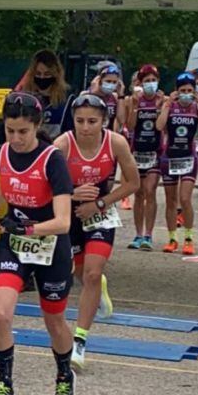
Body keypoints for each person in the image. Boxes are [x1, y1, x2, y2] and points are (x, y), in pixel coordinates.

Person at [0, 92, 75, 395]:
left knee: (54, 321)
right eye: (10, 131)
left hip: (49, 245)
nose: (16, 138)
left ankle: (64, 376)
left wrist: (30, 229)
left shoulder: (53, 160)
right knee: (0, 315)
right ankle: (4, 385)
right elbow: (5, 179)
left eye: (23, 131)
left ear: (36, 126)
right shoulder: (0, 154)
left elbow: (63, 222)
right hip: (15, 244)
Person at [53, 93, 139, 370]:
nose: (86, 127)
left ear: (104, 120)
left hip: (100, 214)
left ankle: (80, 341)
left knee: (92, 271)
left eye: (92, 121)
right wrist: (73, 193)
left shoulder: (115, 143)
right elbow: (46, 186)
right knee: (79, 273)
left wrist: (100, 203)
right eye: (80, 121)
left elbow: (132, 183)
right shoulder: (62, 145)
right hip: (72, 215)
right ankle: (98, 287)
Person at [158, 73, 198, 254]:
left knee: (185, 198)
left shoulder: (196, 107)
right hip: (170, 156)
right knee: (170, 200)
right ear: (176, 91)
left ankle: (189, 238)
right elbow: (159, 126)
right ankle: (172, 237)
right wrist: (167, 105)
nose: (186, 94)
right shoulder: (171, 105)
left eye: (189, 90)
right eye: (182, 91)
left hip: (188, 157)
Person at [125, 64, 163, 250]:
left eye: (153, 80)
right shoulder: (134, 100)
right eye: (147, 81)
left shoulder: (162, 100)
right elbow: (130, 126)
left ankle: (149, 234)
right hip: (137, 149)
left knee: (150, 190)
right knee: (138, 193)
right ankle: (138, 234)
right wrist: (133, 105)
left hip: (155, 151)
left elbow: (160, 126)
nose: (150, 84)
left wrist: (158, 107)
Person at [19, 49, 69, 137]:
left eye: (47, 74)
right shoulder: (24, 97)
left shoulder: (66, 99)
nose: (42, 77)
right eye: (38, 74)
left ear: (55, 74)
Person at [61, 63, 122, 133]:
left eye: (114, 82)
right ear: (99, 80)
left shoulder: (115, 97)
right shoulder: (85, 95)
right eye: (108, 81)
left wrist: (121, 95)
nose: (111, 85)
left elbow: (121, 120)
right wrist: (93, 93)